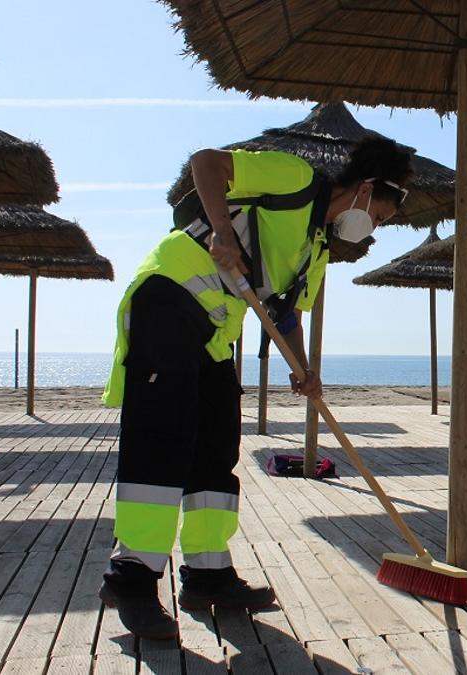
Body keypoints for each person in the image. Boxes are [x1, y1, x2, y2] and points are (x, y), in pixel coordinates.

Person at [99, 137, 413, 639]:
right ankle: (132, 581)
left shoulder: (317, 248)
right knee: (162, 443)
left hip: (215, 332)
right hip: (169, 297)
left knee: (216, 447)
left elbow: (285, 313)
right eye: (380, 214)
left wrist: (304, 370)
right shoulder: (294, 178)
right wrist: (222, 232)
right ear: (366, 188)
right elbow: (206, 164)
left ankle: (207, 575)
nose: (375, 226)